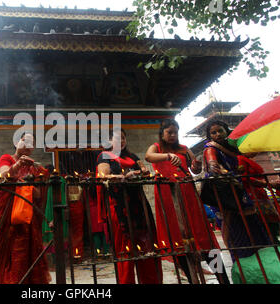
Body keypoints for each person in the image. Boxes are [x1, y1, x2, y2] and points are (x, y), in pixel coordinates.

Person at [145, 119, 230, 284]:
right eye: (169, 132)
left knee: (201, 232)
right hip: (167, 196)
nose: (173, 135)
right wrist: (168, 156)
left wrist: (196, 166)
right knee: (176, 236)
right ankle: (192, 278)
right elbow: (149, 156)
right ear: (162, 133)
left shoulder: (184, 149)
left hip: (187, 193)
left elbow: (194, 168)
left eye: (175, 132)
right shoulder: (157, 147)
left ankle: (223, 278)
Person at [96, 128, 162, 284]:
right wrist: (124, 177)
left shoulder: (132, 156)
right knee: (125, 250)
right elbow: (103, 176)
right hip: (119, 206)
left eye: (123, 138)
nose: (121, 141)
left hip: (139, 204)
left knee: (147, 246)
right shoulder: (104, 156)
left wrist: (146, 173)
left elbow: (144, 170)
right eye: (116, 138)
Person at [202, 120, 271, 261]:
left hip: (239, 190)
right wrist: (216, 166)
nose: (217, 134)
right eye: (213, 133)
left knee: (252, 227)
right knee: (235, 230)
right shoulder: (211, 148)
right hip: (224, 193)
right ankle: (243, 264)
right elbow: (212, 164)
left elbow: (249, 156)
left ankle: (264, 261)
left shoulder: (233, 149)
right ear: (209, 136)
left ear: (226, 131)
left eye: (220, 130)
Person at [0, 133, 51, 284]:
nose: (28, 144)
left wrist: (36, 178)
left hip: (28, 216)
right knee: (14, 255)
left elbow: (37, 194)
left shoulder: (34, 168)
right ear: (17, 142)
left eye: (31, 143)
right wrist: (18, 165)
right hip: (10, 217)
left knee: (31, 254)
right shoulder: (7, 158)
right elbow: (4, 176)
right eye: (25, 140)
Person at [237, 153, 280, 244]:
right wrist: (267, 184)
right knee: (264, 229)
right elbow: (244, 178)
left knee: (271, 229)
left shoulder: (247, 159)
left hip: (259, 194)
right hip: (252, 196)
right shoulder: (240, 159)